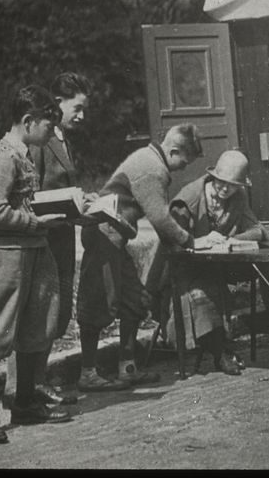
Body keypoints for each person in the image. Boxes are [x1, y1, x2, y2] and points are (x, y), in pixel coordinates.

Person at [0, 85, 72, 444]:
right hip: (8, 255)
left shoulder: (24, 153)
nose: (50, 135)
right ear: (28, 121)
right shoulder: (3, 156)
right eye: (47, 126)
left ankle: (25, 403)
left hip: (34, 252)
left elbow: (21, 202)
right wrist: (38, 222)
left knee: (35, 326)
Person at [75, 124, 203, 391]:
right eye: (184, 161)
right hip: (103, 235)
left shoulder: (151, 159)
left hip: (115, 237)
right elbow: (160, 218)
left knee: (135, 301)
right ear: (173, 150)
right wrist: (190, 241)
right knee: (99, 304)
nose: (183, 168)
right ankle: (87, 372)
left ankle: (128, 368)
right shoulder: (153, 168)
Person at [3, 72, 93, 409]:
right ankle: (19, 389)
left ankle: (36, 383)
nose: (82, 116)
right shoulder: (41, 141)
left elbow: (63, 186)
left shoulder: (63, 138)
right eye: (78, 107)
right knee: (36, 314)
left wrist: (83, 201)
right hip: (43, 239)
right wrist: (69, 205)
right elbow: (32, 192)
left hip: (62, 238)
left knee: (54, 315)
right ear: (57, 103)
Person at [154, 149, 268, 375]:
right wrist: (200, 241)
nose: (225, 189)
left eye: (232, 185)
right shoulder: (187, 201)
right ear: (213, 176)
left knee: (215, 285)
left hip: (212, 267)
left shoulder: (238, 198)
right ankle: (221, 353)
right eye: (221, 182)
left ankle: (221, 350)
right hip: (179, 271)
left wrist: (231, 239)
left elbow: (258, 231)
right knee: (201, 294)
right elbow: (171, 245)